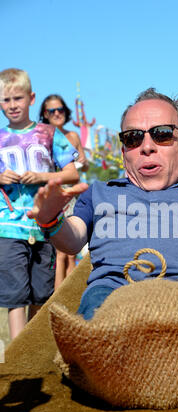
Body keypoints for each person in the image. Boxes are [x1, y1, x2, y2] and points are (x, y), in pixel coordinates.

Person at [28, 88, 178, 321]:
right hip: (114, 297)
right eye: (133, 138)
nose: (147, 146)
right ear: (123, 152)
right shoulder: (101, 193)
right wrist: (50, 218)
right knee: (98, 311)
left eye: (162, 134)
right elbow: (73, 239)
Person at [0, 68, 80, 339]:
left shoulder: (48, 134)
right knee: (15, 297)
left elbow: (72, 173)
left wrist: (42, 176)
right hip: (8, 228)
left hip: (42, 225)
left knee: (41, 293)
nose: (12, 105)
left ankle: (30, 349)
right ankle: (15, 357)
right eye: (6, 100)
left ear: (31, 99)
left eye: (18, 99)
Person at [39, 94, 89, 289]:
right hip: (54, 195)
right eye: (52, 111)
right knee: (59, 253)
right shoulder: (41, 138)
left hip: (73, 195)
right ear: (45, 114)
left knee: (71, 253)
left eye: (60, 109)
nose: (57, 113)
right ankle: (56, 299)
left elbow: (83, 165)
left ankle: (70, 298)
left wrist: (82, 163)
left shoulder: (72, 136)